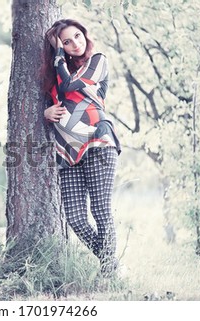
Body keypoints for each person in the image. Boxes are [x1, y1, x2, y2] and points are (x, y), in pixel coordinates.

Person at [41, 19, 121, 277]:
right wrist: (46, 112)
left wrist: (59, 55)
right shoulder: (52, 75)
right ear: (57, 46)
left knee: (100, 210)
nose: (76, 43)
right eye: (66, 41)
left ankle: (108, 273)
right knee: (75, 218)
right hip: (67, 151)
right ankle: (113, 265)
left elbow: (70, 86)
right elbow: (55, 96)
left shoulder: (97, 61)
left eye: (77, 36)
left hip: (98, 142)